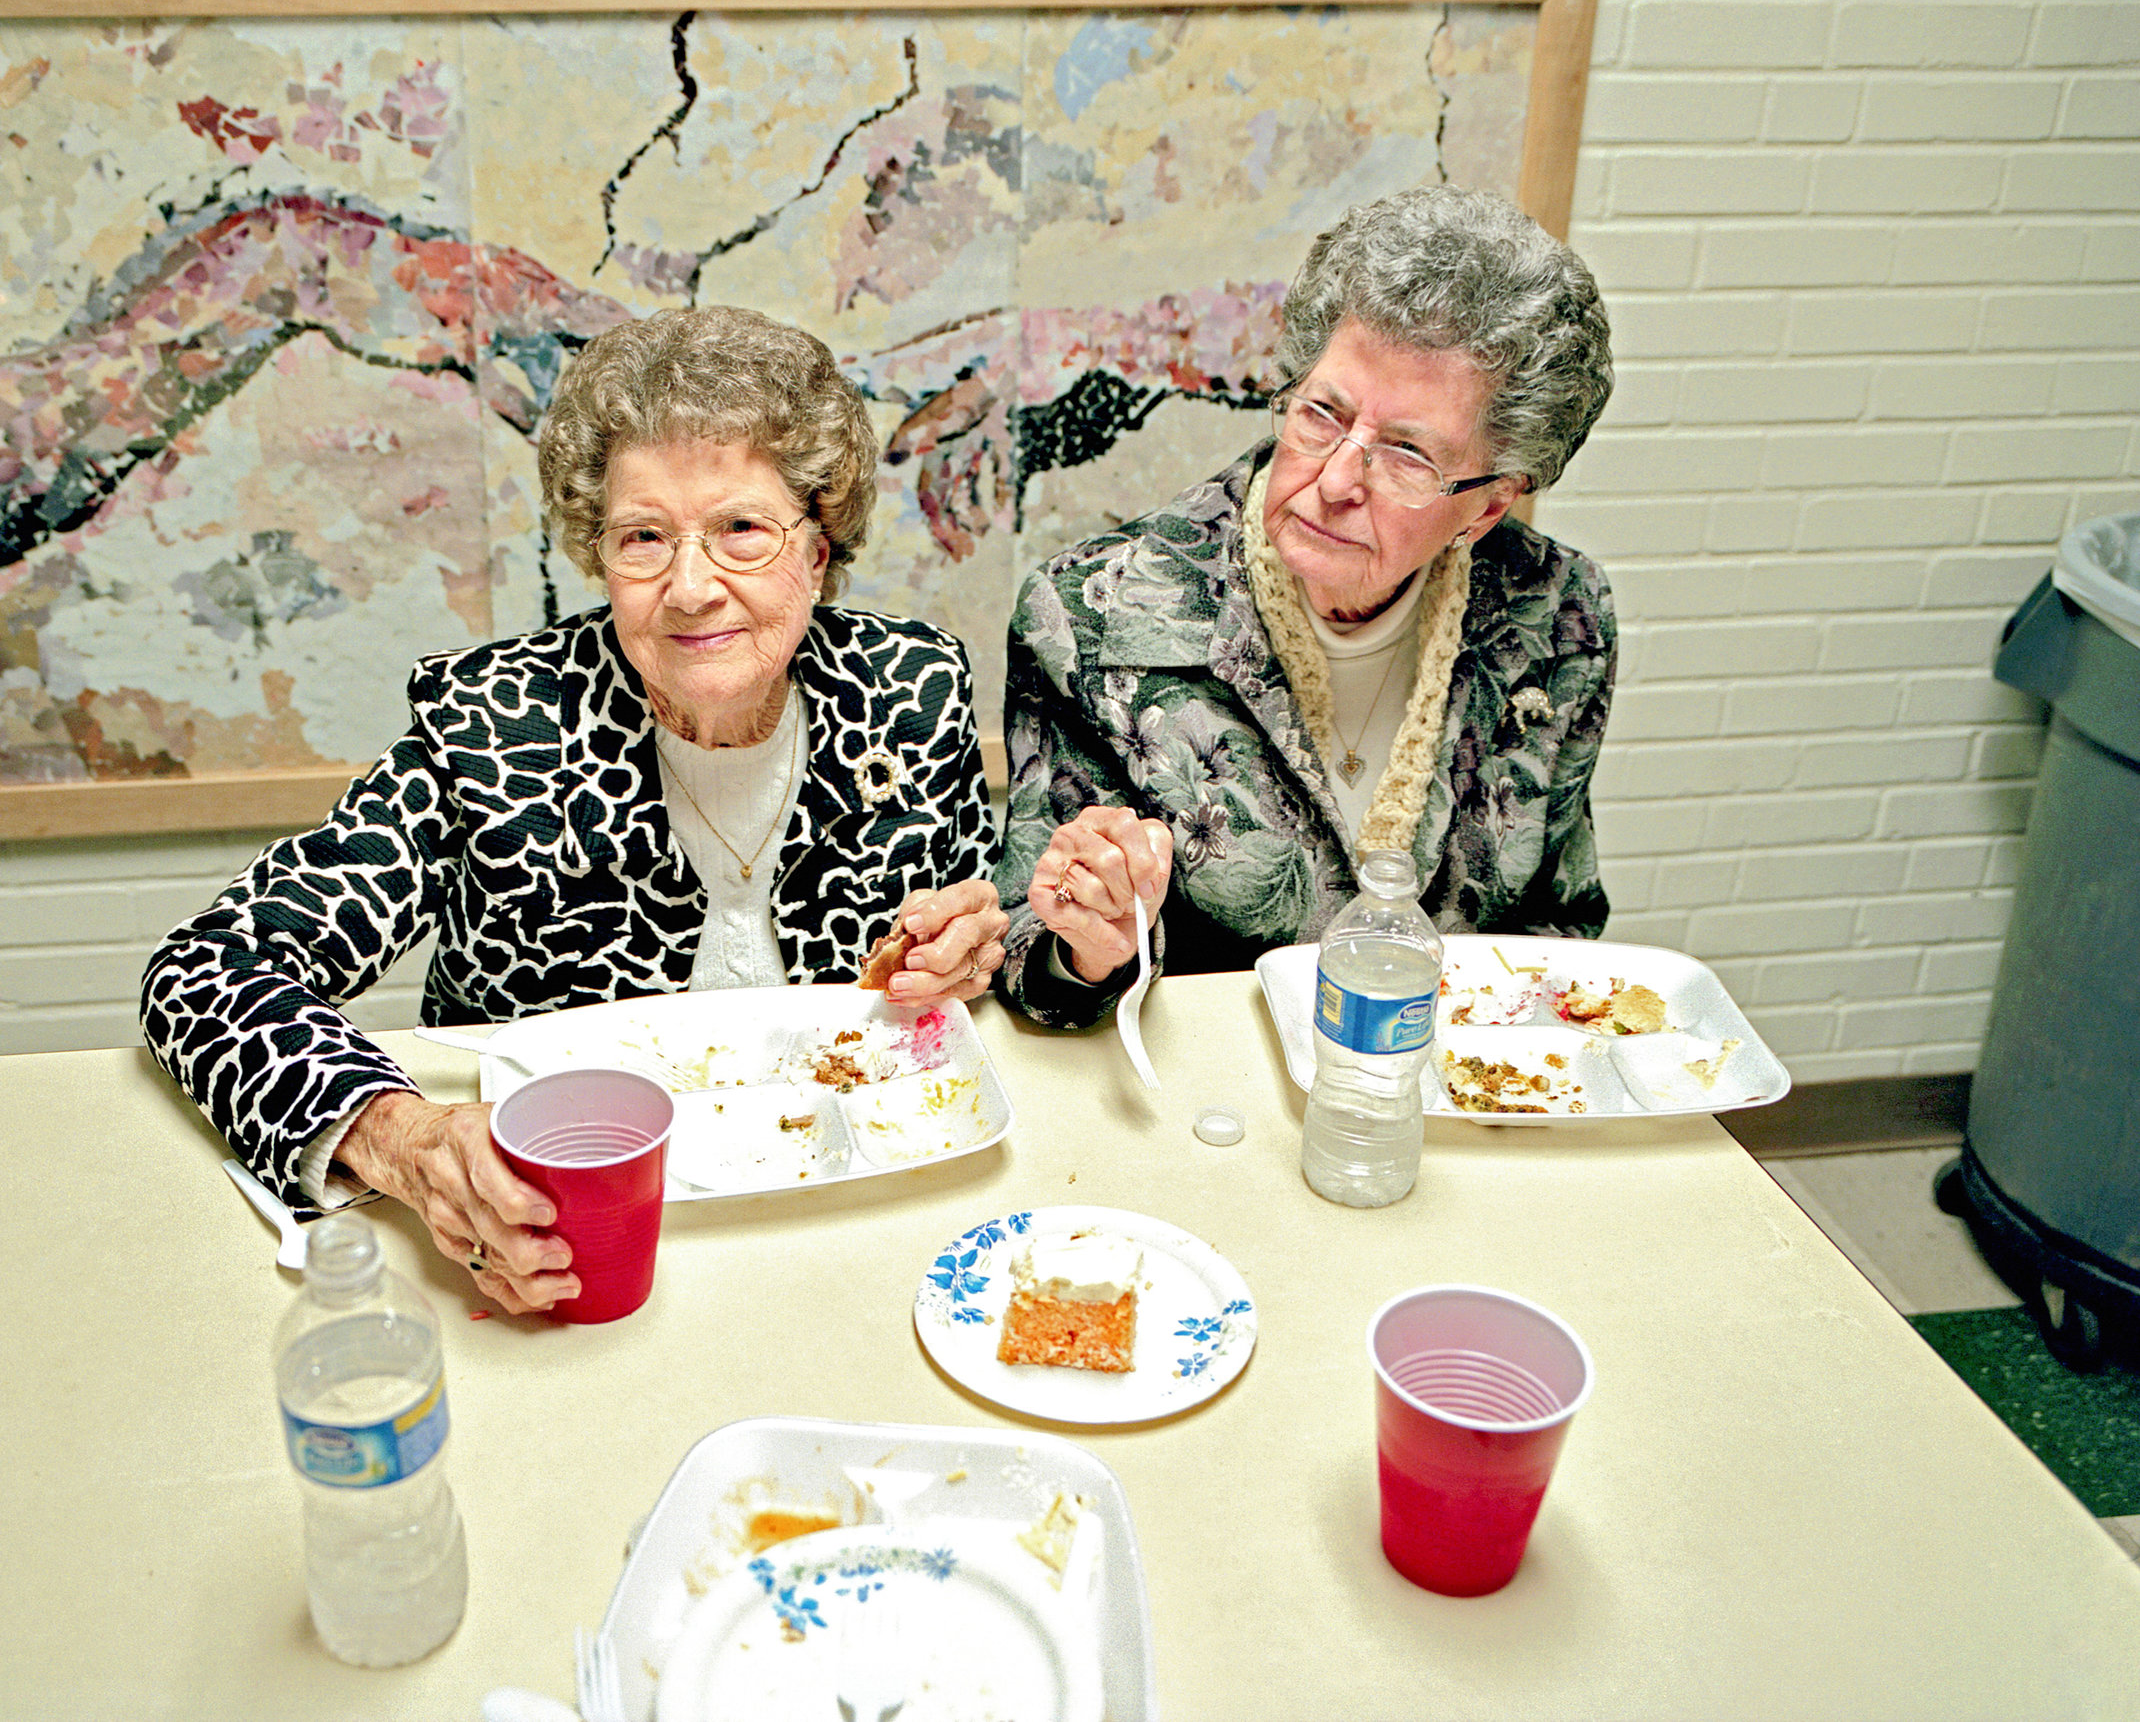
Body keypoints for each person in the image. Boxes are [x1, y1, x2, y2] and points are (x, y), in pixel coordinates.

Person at [144, 306, 1006, 1310]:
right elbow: (206, 971)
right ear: (599, 558)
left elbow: (944, 961)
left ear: (817, 547)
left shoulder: (908, 688)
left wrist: (962, 954)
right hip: (564, 1253)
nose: (690, 587)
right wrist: (406, 1138)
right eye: (644, 537)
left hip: (848, 1229)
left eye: (740, 530)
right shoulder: (491, 727)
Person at [995, 184, 1616, 1029]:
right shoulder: (1095, 614)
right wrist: (1090, 945)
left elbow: (1561, 922)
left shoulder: (1557, 617)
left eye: (1406, 455)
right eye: (1322, 413)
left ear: (1487, 506)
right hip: (1206, 1107)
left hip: (1450, 1099)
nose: (1334, 481)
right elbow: (1032, 958)